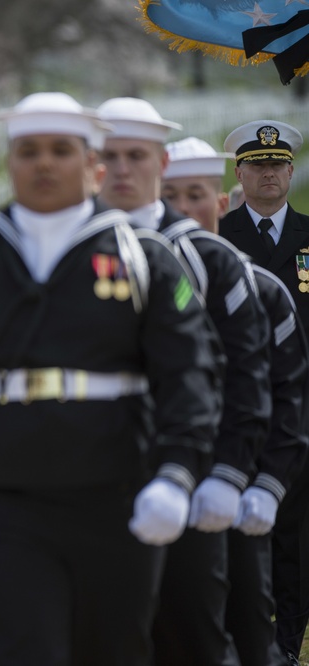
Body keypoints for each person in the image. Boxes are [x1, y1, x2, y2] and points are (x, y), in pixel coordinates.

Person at [0, 92, 222, 665]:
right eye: (28, 151)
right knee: (22, 651)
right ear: (10, 163)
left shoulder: (144, 256)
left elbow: (188, 373)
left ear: (93, 166)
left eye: (60, 150)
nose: (43, 163)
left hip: (117, 498)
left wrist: (177, 472)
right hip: (4, 504)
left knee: (113, 652)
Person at [97, 98, 271, 666]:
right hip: (87, 484)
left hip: (190, 479)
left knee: (192, 634)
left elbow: (247, 371)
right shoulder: (59, 249)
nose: (121, 170)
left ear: (161, 161)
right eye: (109, 156)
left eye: (136, 155)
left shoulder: (209, 257)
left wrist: (228, 471)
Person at [164, 135, 309, 666]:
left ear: (222, 203)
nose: (185, 210)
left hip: (247, 473)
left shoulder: (263, 289)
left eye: (198, 195)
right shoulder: (130, 282)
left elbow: (285, 387)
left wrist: (266, 482)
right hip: (161, 480)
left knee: (252, 621)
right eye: (172, 196)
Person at [219, 119, 309, 664]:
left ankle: (287, 648)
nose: (268, 173)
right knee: (237, 534)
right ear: (241, 172)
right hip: (236, 410)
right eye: (257, 164)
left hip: (302, 411)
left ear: (291, 172)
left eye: (277, 164)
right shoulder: (218, 237)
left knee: (297, 538)